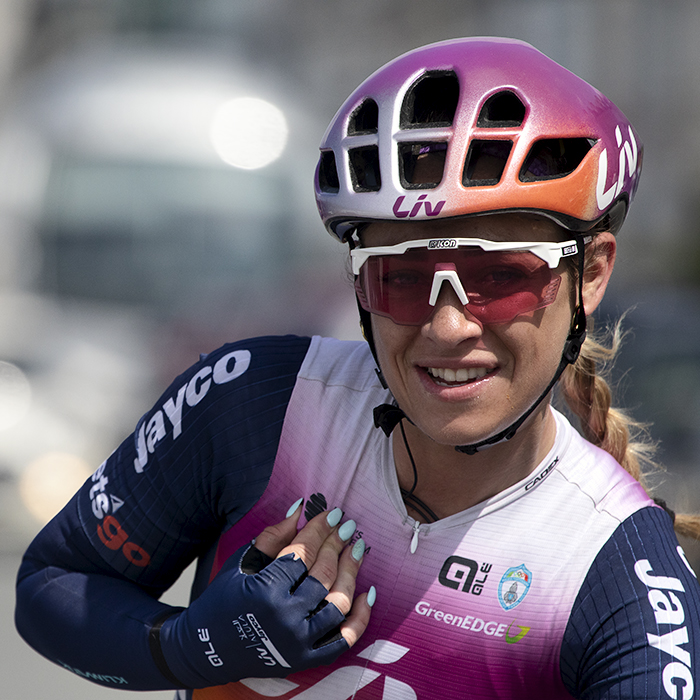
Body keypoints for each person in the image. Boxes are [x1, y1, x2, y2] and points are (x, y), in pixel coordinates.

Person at [15, 36, 700, 699]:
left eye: (500, 275)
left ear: (591, 274)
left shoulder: (616, 571)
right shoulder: (257, 405)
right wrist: (200, 644)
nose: (448, 326)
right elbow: (50, 586)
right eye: (401, 278)